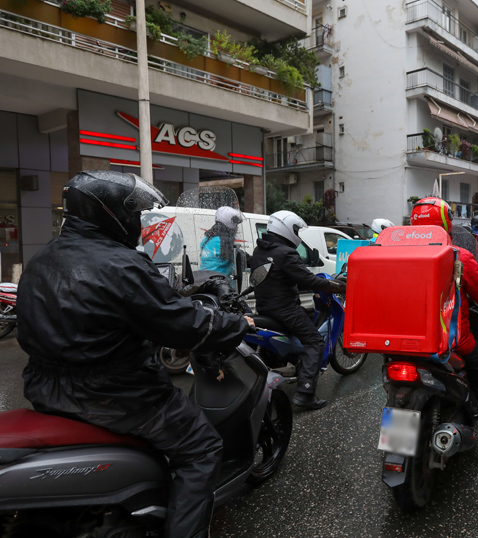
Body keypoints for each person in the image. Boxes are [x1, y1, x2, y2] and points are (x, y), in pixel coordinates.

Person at [18, 171, 254, 538]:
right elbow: (181, 325)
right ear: (111, 213)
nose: (137, 222)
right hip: (118, 394)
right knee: (203, 448)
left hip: (46, 388)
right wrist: (239, 325)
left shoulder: (42, 258)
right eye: (133, 214)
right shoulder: (121, 264)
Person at [411, 197, 478, 458]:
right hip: (451, 340)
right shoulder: (458, 256)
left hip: (401, 338)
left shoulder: (393, 253)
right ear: (447, 223)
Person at [249, 211, 346, 409]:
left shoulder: (260, 250)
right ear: (287, 229)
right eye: (297, 231)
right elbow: (307, 279)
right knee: (315, 341)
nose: (298, 236)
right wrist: (337, 286)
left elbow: (277, 279)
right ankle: (305, 393)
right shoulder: (285, 253)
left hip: (265, 307)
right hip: (285, 309)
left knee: (307, 323)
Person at [199, 206, 244, 278]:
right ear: (229, 224)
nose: (237, 228)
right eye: (235, 225)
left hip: (205, 281)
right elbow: (242, 258)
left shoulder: (208, 239)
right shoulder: (223, 242)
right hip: (220, 284)